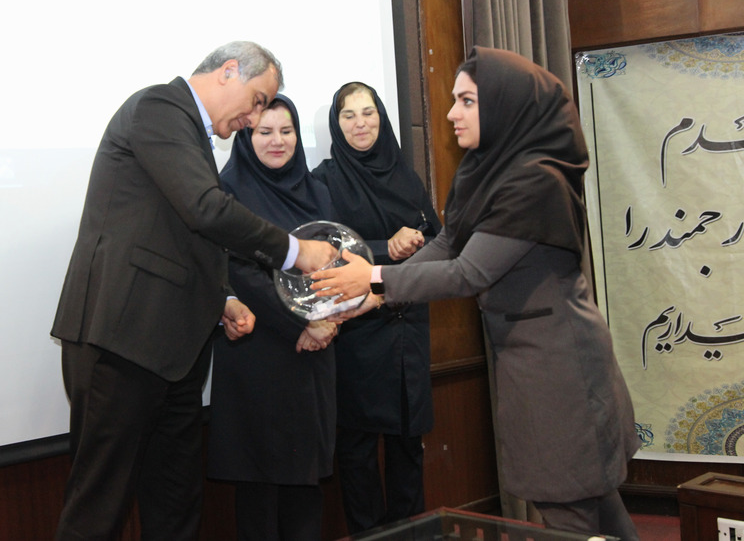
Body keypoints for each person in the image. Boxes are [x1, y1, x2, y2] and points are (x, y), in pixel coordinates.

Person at [311, 47, 641, 540]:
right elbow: (448, 242)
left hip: (560, 365)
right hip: (532, 362)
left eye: (466, 101)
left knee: (571, 509)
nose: (450, 114)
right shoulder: (486, 169)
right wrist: (377, 296)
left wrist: (376, 278)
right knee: (591, 505)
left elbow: (469, 272)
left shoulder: (534, 179)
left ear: (504, 105)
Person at [51, 41, 337, 541]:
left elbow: (181, 236)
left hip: (175, 353)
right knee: (99, 509)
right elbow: (205, 210)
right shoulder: (160, 107)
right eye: (257, 101)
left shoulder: (193, 134)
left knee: (176, 505)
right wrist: (296, 251)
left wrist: (223, 298)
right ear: (229, 71)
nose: (254, 119)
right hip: (121, 340)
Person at [310, 81, 441, 533]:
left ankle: (411, 534)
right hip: (356, 329)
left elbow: (438, 239)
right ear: (336, 123)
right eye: (348, 115)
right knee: (358, 449)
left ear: (381, 117)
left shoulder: (406, 176)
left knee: (408, 445)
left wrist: (417, 240)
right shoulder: (324, 181)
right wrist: (388, 246)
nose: (360, 123)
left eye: (368, 113)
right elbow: (323, 249)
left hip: (406, 325)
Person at [207, 95, 338, 541]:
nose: (277, 141)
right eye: (265, 132)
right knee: (260, 494)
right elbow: (238, 271)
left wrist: (328, 320)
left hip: (313, 357)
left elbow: (337, 262)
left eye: (286, 131)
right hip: (257, 356)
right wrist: (301, 324)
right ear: (246, 136)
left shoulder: (318, 191)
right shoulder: (228, 191)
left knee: (306, 486)